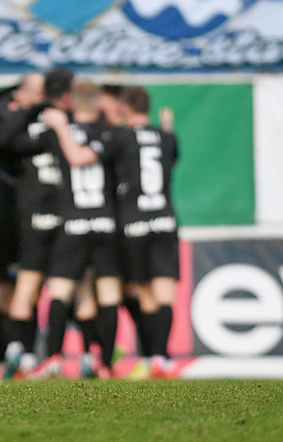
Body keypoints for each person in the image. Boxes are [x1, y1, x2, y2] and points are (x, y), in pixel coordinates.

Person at [3, 69, 98, 379]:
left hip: (34, 214)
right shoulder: (71, 125)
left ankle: (20, 353)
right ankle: (88, 356)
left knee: (27, 287)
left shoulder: (32, 124)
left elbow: (6, 144)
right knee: (77, 286)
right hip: (66, 215)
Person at [29, 80, 122, 380]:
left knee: (60, 291)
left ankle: (54, 357)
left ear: (69, 99)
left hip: (74, 221)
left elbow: (72, 156)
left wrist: (58, 125)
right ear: (98, 101)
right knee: (106, 294)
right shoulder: (110, 132)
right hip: (106, 222)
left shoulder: (60, 130)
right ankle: (105, 364)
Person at [111, 86, 180, 379]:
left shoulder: (120, 138)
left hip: (134, 222)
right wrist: (166, 128)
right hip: (164, 220)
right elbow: (171, 157)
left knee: (146, 297)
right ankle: (161, 359)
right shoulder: (167, 138)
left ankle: (150, 356)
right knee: (165, 295)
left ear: (125, 108)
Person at [0, 72, 45, 380]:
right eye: (35, 92)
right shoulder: (6, 118)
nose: (40, 99)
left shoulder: (47, 120)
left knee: (31, 289)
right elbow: (5, 141)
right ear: (19, 95)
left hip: (37, 219)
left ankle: (26, 356)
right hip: (7, 219)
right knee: (7, 292)